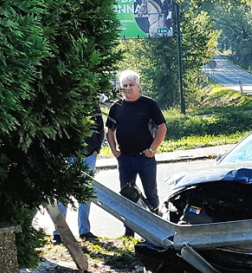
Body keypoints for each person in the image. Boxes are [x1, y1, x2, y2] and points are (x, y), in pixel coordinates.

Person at [106, 70, 167, 237]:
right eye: (124, 85)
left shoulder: (149, 104)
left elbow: (162, 128)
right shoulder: (116, 106)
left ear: (139, 86)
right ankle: (129, 232)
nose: (128, 88)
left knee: (151, 193)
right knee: (127, 196)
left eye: (131, 85)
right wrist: (114, 151)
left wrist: (152, 149)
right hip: (125, 158)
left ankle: (157, 230)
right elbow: (110, 131)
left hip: (145, 158)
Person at [53, 109, 104, 243]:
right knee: (63, 194)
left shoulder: (93, 105)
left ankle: (84, 231)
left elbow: (100, 128)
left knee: (85, 194)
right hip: (68, 156)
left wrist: (96, 149)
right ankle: (58, 232)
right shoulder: (67, 102)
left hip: (88, 156)